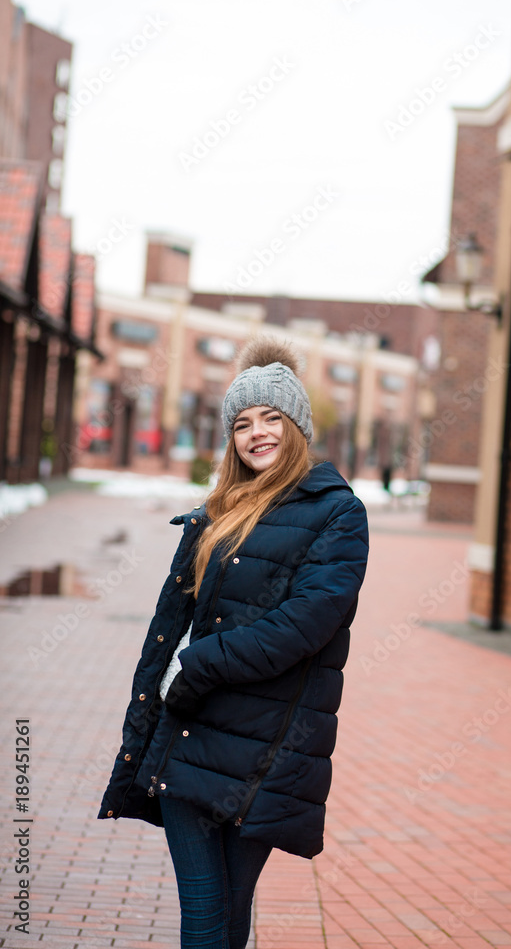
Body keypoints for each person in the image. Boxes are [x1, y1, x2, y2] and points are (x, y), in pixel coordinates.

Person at [98, 335, 369, 949]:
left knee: (227, 917)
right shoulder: (216, 511)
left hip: (269, 751)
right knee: (204, 916)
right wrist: (155, 706)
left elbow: (307, 622)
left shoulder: (338, 514)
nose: (257, 433)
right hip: (192, 737)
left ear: (296, 425)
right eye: (242, 423)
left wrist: (196, 666)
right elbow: (169, 626)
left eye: (272, 417)